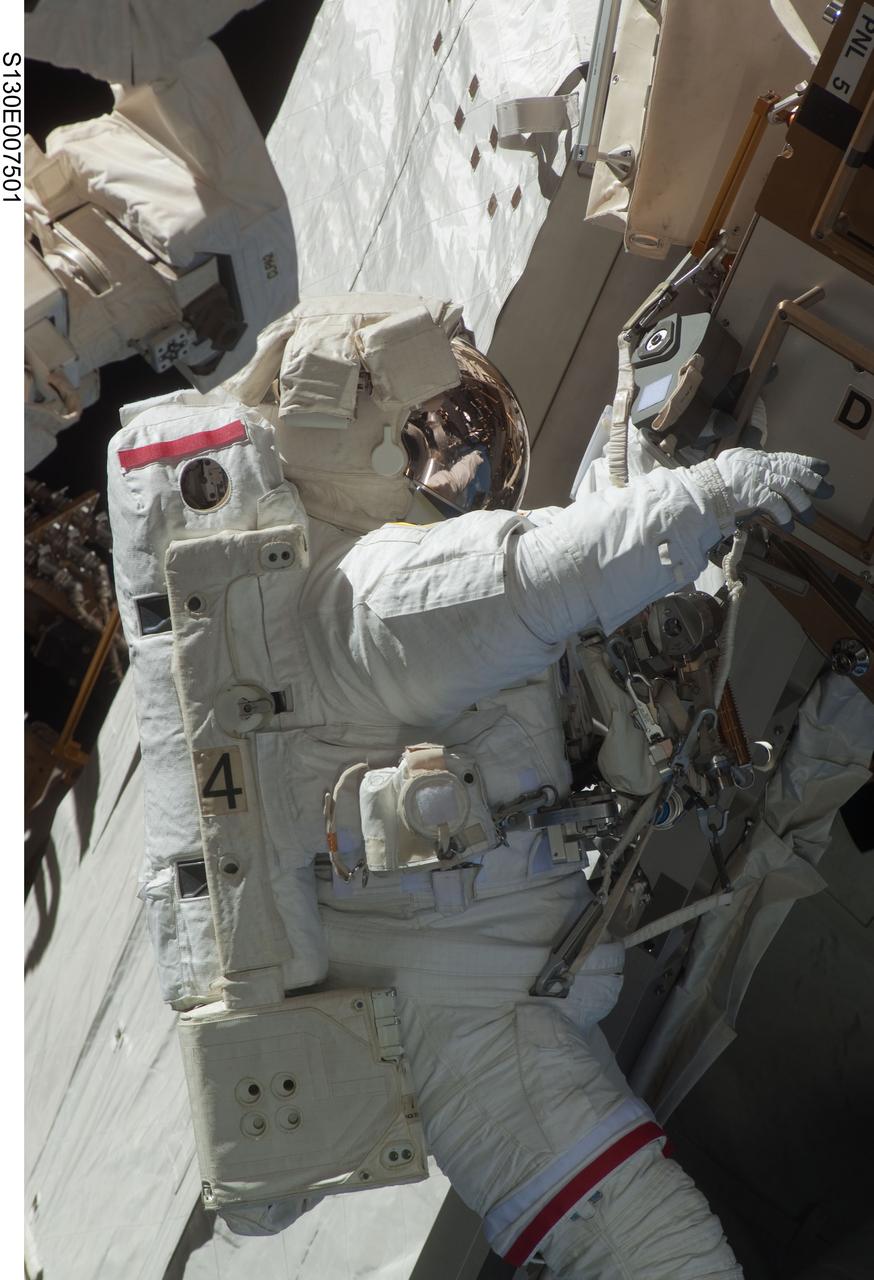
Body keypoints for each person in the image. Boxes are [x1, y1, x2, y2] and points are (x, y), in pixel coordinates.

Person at [108, 293, 832, 1278]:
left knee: (658, 1249)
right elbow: (529, 576)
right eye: (445, 437)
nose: (473, 469)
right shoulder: (362, 601)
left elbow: (551, 558)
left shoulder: (356, 585)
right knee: (660, 1250)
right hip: (459, 1010)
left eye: (481, 432)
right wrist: (710, 492)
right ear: (368, 451)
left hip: (476, 982)